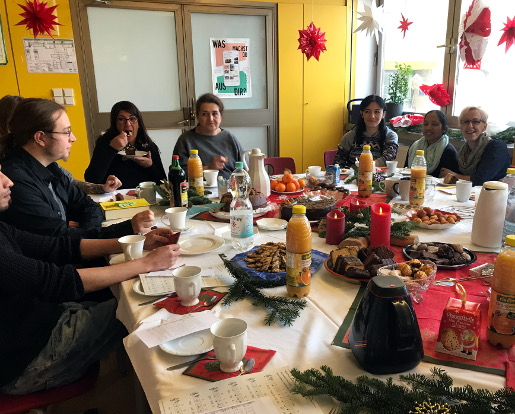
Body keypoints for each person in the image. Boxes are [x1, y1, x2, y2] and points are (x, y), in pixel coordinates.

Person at [0, 165, 180, 394]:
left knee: (134, 302)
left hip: (40, 321)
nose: (9, 181)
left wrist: (137, 243)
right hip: (26, 359)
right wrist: (147, 264)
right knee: (148, 313)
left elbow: (59, 247)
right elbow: (57, 281)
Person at [0, 98, 153, 238]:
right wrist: (128, 228)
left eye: (132, 119)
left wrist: (86, 235)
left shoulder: (51, 167)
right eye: (67, 132)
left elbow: (89, 207)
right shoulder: (17, 181)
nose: (73, 138)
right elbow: (61, 240)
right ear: (40, 138)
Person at [0, 94, 122, 194]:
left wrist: (102, 188)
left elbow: (70, 183)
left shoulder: (46, 161)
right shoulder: (12, 170)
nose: (72, 138)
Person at [85, 101, 166, 189]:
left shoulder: (148, 146)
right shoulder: (105, 143)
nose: (127, 124)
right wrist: (112, 149)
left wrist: (150, 166)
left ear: (138, 124)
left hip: (142, 195)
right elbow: (91, 179)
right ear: (115, 124)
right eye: (121, 119)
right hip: (114, 195)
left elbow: (163, 182)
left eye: (132, 118)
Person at [173, 93, 243, 179]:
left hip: (229, 185)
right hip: (197, 186)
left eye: (215, 113)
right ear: (198, 117)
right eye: (205, 114)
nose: (210, 119)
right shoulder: (185, 140)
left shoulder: (230, 138)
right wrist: (209, 168)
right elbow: (178, 175)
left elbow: (244, 170)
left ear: (221, 117)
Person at [439, 106, 510, 186]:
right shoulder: (464, 152)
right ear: (461, 127)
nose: (470, 126)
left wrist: (454, 175)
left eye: (476, 121)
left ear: (484, 127)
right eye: (466, 121)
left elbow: (480, 180)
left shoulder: (497, 147)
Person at [334, 95, 398, 168]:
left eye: (377, 112)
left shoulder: (390, 136)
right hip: (353, 174)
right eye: (367, 111)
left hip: (380, 175)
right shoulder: (350, 136)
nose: (372, 116)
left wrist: (366, 166)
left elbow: (388, 158)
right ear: (362, 113)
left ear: (383, 114)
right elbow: (338, 163)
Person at [405, 110, 459, 178]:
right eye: (425, 124)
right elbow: (405, 172)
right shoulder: (414, 147)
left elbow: (448, 181)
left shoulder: (449, 152)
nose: (428, 128)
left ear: (444, 129)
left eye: (434, 124)